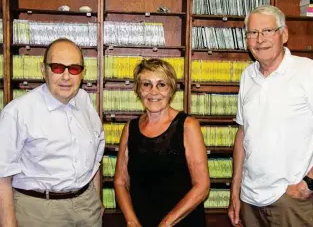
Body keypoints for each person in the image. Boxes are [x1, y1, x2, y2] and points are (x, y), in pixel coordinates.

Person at [228, 5, 313, 227]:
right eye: (252, 33)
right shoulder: (247, 76)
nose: (260, 39)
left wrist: (309, 183)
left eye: (267, 31)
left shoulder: (308, 72)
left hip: (290, 199)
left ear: (284, 34)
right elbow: (243, 134)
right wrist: (235, 190)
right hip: (250, 200)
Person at [0, 38, 105, 227]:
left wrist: (96, 201)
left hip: (86, 207)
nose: (66, 76)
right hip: (39, 211)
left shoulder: (85, 101)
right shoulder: (17, 112)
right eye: (57, 68)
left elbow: (95, 159)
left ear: (83, 73)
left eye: (74, 69)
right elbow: (2, 176)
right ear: (43, 69)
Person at [114, 58, 210, 227]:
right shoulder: (130, 128)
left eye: (161, 84)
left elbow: (202, 186)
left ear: (171, 89)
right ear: (138, 90)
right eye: (146, 84)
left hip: (181, 222)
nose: (153, 92)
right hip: (141, 221)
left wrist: (166, 223)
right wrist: (131, 221)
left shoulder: (187, 126)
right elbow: (121, 182)